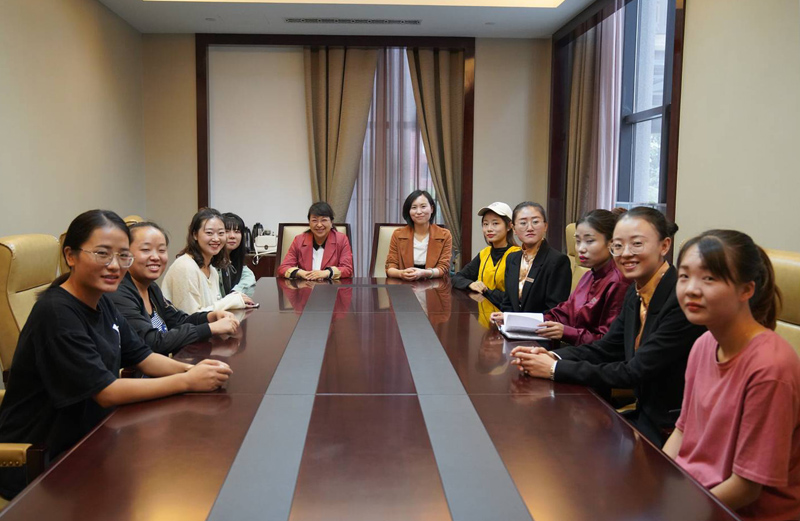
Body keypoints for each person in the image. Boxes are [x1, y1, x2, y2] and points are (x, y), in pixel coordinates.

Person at [0, 210, 232, 499]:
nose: (114, 265)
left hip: (92, 436)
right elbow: (106, 392)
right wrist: (187, 381)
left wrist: (194, 371)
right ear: (70, 255)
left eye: (123, 255)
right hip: (42, 460)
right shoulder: (57, 313)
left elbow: (144, 356)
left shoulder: (102, 300)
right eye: (102, 254)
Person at [511, 207, 706, 445]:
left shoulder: (679, 299)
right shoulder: (636, 292)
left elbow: (634, 371)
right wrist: (551, 355)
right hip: (644, 415)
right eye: (618, 246)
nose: (625, 254)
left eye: (637, 244)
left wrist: (554, 369)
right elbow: (606, 347)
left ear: (664, 246)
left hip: (672, 426)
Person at [662, 230, 800, 521]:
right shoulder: (704, 343)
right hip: (695, 495)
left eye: (709, 278)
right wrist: (658, 487)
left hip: (742, 511)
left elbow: (747, 488)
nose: (691, 289)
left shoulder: (771, 367)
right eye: (684, 276)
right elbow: (682, 431)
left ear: (746, 290)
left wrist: (678, 512)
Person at [110, 221, 240, 356]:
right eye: (146, 250)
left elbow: (178, 320)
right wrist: (209, 328)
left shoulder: (151, 288)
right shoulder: (118, 293)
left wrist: (210, 317)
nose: (155, 257)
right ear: (124, 255)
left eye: (161, 250)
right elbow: (152, 342)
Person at [513, 208, 631, 345]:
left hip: (594, 354)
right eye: (578, 241)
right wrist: (514, 321)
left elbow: (609, 342)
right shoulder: (588, 276)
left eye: (589, 241)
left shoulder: (618, 281)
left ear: (611, 243)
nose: (581, 249)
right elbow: (562, 313)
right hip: (577, 348)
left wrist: (566, 332)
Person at [161, 208, 251, 313]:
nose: (216, 239)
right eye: (209, 233)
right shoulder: (185, 267)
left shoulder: (212, 269)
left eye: (221, 233)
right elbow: (190, 317)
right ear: (195, 234)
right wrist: (231, 301)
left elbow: (213, 308)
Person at [494, 202, 571, 314]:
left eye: (535, 222)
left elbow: (554, 311)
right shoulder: (512, 258)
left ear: (545, 226)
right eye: (523, 223)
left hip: (542, 324)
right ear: (514, 229)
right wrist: (505, 318)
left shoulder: (558, 261)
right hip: (512, 324)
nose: (530, 228)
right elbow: (507, 302)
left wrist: (519, 320)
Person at [451, 202, 520, 309]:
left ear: (509, 226)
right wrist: (471, 284)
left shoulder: (517, 255)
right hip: (484, 315)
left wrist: (484, 290)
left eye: (495, 223)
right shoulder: (484, 253)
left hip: (504, 315)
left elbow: (511, 297)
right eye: (485, 224)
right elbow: (457, 278)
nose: (489, 229)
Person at [276, 201, 353, 280]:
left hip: (331, 286)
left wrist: (327, 273)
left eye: (324, 220)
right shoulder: (299, 240)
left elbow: (347, 269)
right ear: (309, 222)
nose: (319, 225)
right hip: (305, 285)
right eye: (314, 220)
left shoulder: (341, 240)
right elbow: (283, 268)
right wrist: (300, 273)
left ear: (331, 222)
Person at [385, 190, 452, 280]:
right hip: (405, 284)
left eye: (423, 206)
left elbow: (443, 268)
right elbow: (390, 267)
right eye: (414, 207)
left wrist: (424, 273)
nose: (419, 212)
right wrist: (401, 273)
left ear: (432, 209)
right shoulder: (398, 234)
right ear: (408, 211)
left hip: (434, 284)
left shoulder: (445, 235)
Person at [219, 212, 256, 296]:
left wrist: (235, 293)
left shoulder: (234, 258)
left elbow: (249, 277)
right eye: (227, 231)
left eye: (237, 231)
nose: (232, 236)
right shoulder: (213, 261)